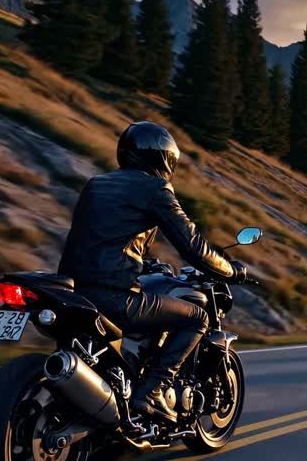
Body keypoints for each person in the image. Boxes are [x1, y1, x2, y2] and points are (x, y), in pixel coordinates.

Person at [60, 122, 247, 422]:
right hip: (113, 296)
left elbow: (106, 238)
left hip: (74, 290)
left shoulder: (96, 184)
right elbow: (194, 247)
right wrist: (230, 270)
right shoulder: (155, 189)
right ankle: (151, 392)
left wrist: (144, 263)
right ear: (164, 158)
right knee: (196, 318)